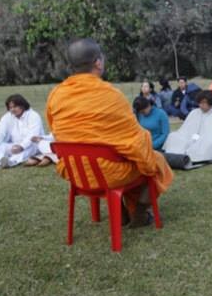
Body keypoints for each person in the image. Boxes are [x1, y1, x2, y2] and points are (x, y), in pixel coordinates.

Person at [46, 38, 173, 226]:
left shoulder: (56, 95)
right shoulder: (111, 95)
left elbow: (57, 131)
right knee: (155, 160)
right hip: (108, 173)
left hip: (76, 171)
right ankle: (138, 212)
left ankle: (120, 211)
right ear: (98, 62)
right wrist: (146, 156)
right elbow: (136, 140)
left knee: (118, 158)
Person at [0, 94, 45, 168]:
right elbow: (0, 132)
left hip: (33, 145)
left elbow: (33, 135)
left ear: (22, 106)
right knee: (0, 146)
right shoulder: (7, 116)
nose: (12, 109)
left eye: (15, 107)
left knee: (28, 149)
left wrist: (22, 146)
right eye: (10, 107)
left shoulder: (33, 116)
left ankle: (10, 162)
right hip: (15, 145)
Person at [163, 90, 212, 163]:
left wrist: (200, 138)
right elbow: (185, 130)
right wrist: (191, 137)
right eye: (200, 102)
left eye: (204, 103)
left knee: (209, 143)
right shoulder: (194, 112)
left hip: (207, 139)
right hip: (190, 137)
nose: (201, 105)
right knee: (173, 136)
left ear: (210, 102)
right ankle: (177, 156)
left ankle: (190, 156)